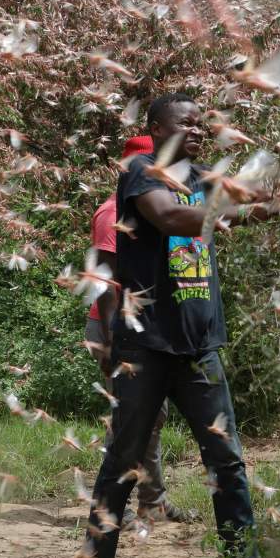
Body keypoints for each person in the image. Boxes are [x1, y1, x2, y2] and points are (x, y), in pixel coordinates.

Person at [77, 92, 276, 558]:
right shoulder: (141, 172)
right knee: (124, 461)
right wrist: (239, 211)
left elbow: (248, 197)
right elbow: (169, 218)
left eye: (200, 124)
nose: (195, 129)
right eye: (185, 123)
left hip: (197, 347)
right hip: (144, 346)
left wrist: (275, 199)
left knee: (227, 462)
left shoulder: (203, 176)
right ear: (158, 127)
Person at [86, 134, 196, 525]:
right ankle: (122, 507)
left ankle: (152, 499)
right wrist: (113, 336)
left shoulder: (157, 207)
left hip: (145, 328)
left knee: (152, 419)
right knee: (131, 421)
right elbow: (102, 277)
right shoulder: (112, 211)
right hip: (115, 328)